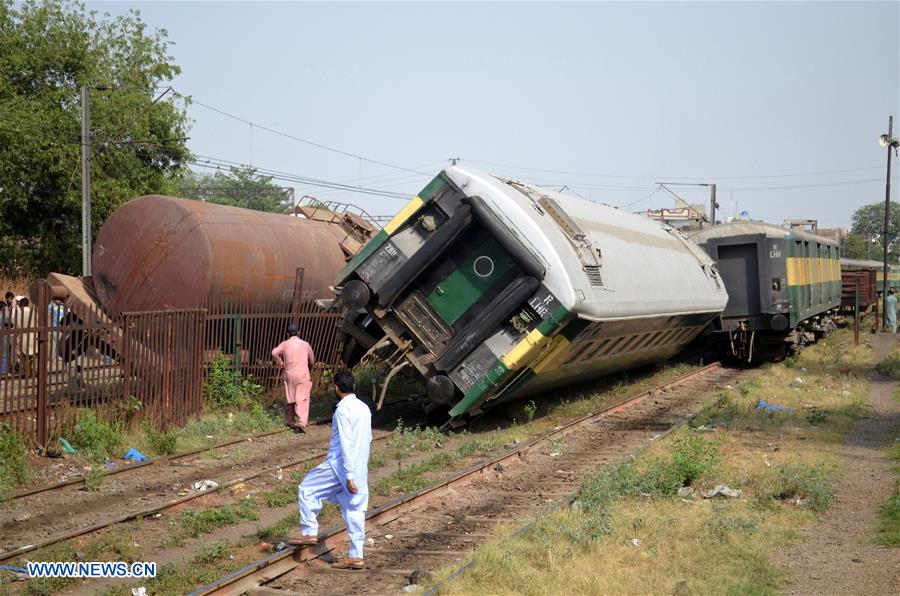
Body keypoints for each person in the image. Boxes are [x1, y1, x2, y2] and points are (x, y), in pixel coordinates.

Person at [291, 370, 372, 569]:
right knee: (354, 509)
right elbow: (368, 439)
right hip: (358, 467)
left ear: (336, 388)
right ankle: (356, 555)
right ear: (353, 387)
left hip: (339, 466)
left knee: (307, 489)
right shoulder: (364, 408)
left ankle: (309, 531)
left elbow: (346, 443)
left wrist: (349, 475)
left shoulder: (342, 410)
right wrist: (357, 472)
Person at [271, 324, 315, 432]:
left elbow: (274, 352)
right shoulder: (305, 344)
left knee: (290, 397)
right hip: (302, 374)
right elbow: (312, 360)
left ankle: (290, 420)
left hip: (289, 374)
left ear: (287, 334)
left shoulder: (285, 344)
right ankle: (301, 422)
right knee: (302, 397)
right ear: (298, 333)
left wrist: (280, 362)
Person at [13, 297, 36, 376]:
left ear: (21, 304)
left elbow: (16, 326)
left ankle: (27, 373)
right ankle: (33, 372)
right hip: (33, 336)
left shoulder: (18, 313)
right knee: (33, 356)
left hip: (24, 337)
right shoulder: (34, 312)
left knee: (25, 357)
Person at [0, 302, 9, 375]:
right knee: (4, 354)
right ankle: (3, 371)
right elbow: (11, 324)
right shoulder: (3, 316)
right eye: (5, 308)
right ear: (2, 308)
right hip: (3, 337)